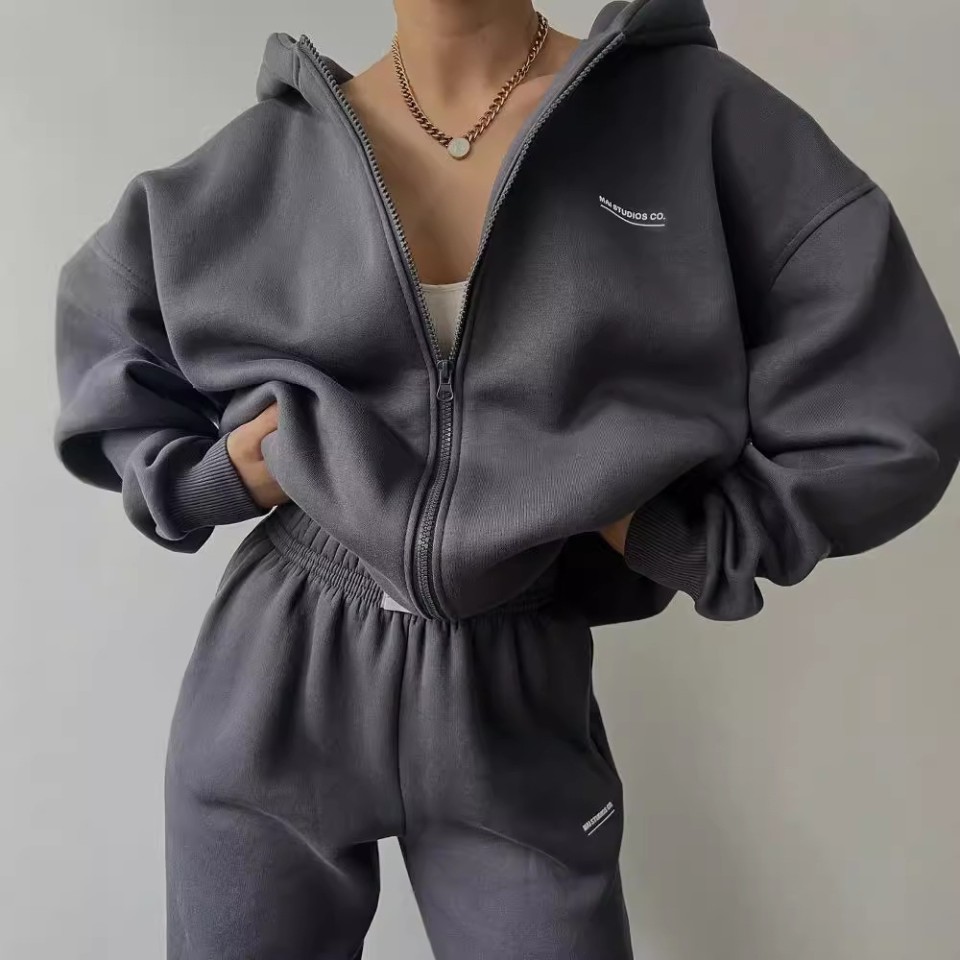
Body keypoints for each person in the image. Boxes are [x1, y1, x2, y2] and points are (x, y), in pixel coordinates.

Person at [51, 0, 960, 957]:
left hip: (515, 675)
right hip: (279, 664)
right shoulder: (269, 154)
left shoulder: (694, 114)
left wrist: (692, 539)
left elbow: (889, 399)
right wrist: (215, 477)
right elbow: (107, 328)